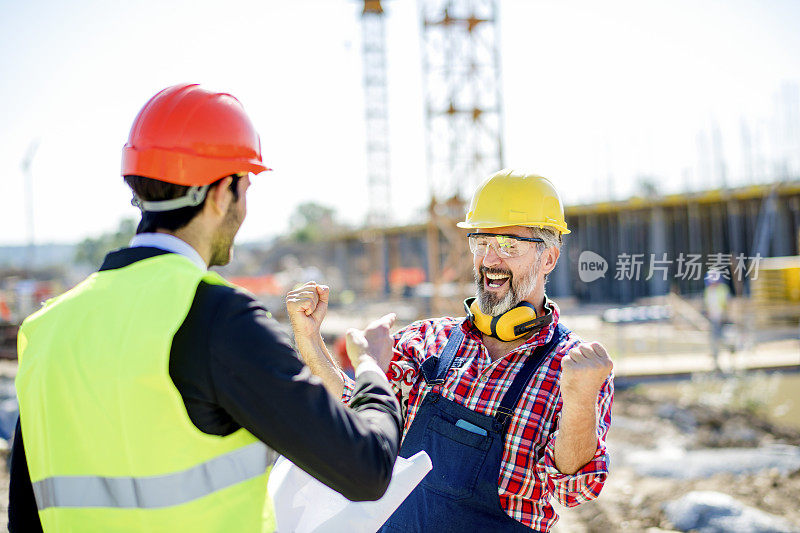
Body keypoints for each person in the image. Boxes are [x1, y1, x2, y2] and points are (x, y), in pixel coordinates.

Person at [9, 83, 402, 532]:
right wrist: (372, 367)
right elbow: (366, 468)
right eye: (246, 186)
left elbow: (24, 514)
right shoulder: (218, 318)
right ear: (222, 193)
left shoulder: (45, 328)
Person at [287, 169, 614, 532]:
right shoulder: (428, 340)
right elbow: (349, 418)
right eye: (481, 243)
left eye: (508, 245)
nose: (490, 260)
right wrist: (312, 340)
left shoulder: (571, 366)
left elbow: (575, 490)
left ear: (549, 259)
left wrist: (580, 399)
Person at [704, 269, 732, 372]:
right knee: (714, 341)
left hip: (722, 320)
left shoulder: (722, 289)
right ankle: (716, 363)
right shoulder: (708, 290)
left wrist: (725, 316)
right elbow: (707, 305)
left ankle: (731, 359)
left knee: (724, 339)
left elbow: (727, 304)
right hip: (713, 320)